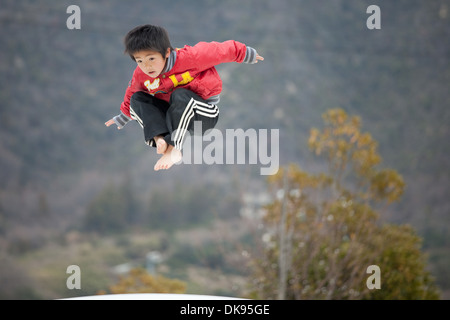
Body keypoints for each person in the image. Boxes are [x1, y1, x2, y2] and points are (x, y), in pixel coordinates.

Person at [105, 24, 264, 171]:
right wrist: (123, 116)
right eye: (140, 61)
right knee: (138, 98)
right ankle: (159, 138)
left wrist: (245, 53)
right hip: (174, 116)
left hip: (202, 115)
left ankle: (175, 147)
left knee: (179, 94)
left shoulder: (191, 57)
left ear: (166, 53)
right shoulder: (141, 75)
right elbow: (132, 95)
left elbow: (221, 50)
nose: (147, 66)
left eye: (151, 59)